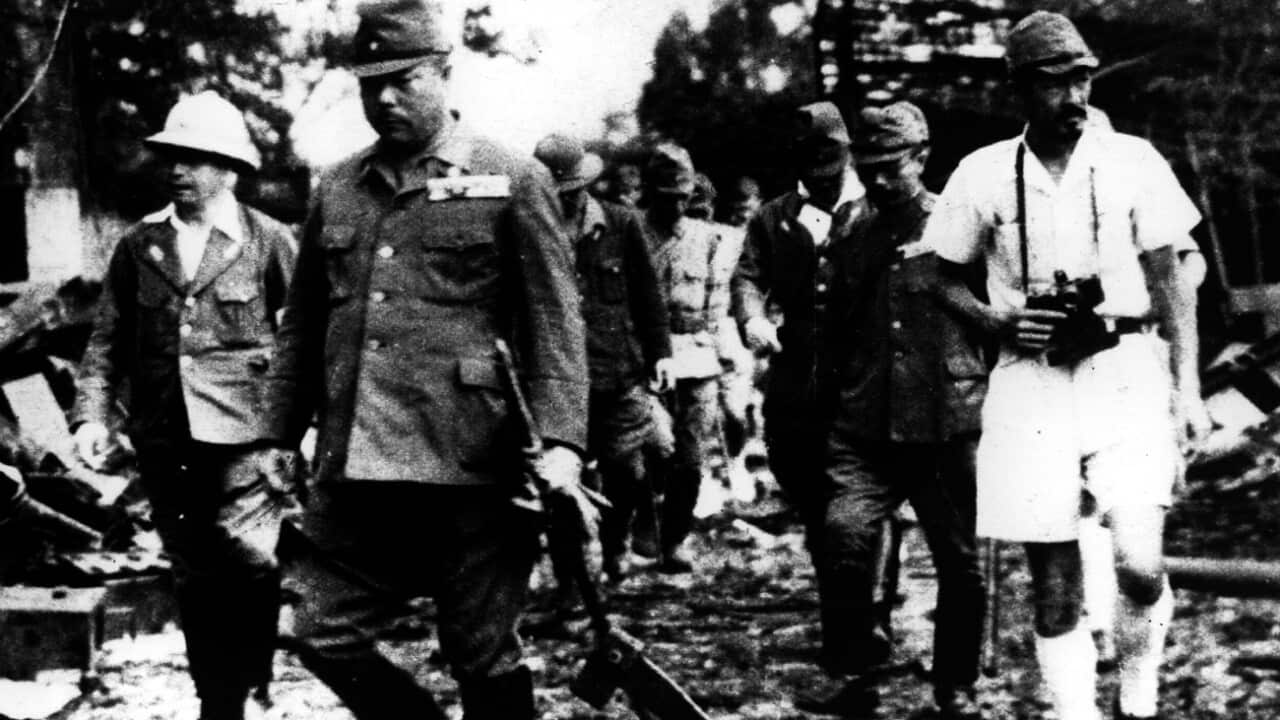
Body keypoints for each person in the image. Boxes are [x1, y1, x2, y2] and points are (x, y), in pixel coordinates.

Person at [249, 2, 589, 719]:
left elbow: (555, 323)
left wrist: (562, 443)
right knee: (318, 630)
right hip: (359, 463)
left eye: (403, 80)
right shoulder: (338, 186)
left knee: (481, 650)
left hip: (474, 462)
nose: (385, 99)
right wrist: (278, 432)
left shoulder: (512, 177)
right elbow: (304, 323)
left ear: (443, 72)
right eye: (371, 84)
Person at [926, 12, 1211, 720]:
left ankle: (1138, 692)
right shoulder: (983, 172)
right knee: (1055, 590)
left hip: (1125, 368)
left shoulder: (1134, 160)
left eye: (1082, 80)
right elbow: (938, 275)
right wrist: (997, 319)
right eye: (1055, 84)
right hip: (1030, 381)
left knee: (1138, 563)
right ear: (1019, 90)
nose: (1074, 97)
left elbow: (1173, 278)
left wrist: (1188, 390)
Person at [72, 90, 296, 720]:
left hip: (248, 433)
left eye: (195, 159)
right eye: (172, 157)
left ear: (229, 170)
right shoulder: (139, 245)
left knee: (249, 554)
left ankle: (251, 666)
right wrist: (91, 415)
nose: (178, 170)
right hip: (166, 436)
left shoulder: (267, 241)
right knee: (194, 572)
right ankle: (217, 700)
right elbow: (107, 339)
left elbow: (305, 338)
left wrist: (298, 427)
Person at [818, 101, 987, 718]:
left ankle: (954, 684)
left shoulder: (959, 223)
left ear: (923, 157)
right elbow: (835, 325)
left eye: (893, 166)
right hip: (866, 422)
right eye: (869, 168)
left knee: (960, 564)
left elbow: (995, 316)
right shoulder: (851, 229)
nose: (881, 179)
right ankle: (857, 671)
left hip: (946, 421)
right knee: (842, 534)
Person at [731, 101, 879, 692]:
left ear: (848, 153)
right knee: (818, 508)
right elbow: (748, 275)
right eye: (809, 162)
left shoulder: (878, 207)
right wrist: (752, 319)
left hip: (866, 382)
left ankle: (858, 632)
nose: (821, 173)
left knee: (860, 507)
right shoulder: (776, 216)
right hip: (798, 385)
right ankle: (849, 616)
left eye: (830, 159)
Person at [533, 133, 673, 581]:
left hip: (618, 372)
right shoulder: (531, 230)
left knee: (626, 472)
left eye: (573, 191)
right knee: (559, 485)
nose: (567, 200)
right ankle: (572, 583)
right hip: (556, 381)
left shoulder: (621, 223)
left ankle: (616, 544)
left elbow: (648, 295)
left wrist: (660, 354)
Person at [642, 143, 731, 572]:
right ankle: (645, 525)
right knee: (656, 448)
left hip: (697, 357)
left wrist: (724, 356)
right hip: (646, 358)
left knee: (691, 460)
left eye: (682, 196)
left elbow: (717, 303)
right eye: (666, 196)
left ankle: (675, 538)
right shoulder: (633, 233)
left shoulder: (707, 237)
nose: (675, 205)